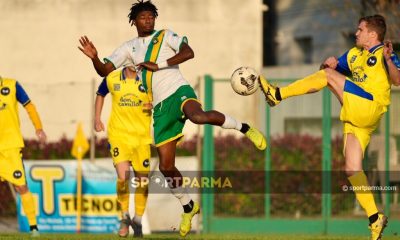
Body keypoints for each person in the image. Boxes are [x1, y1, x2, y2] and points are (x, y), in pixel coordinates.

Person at [78, 0, 267, 236]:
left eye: (151, 16)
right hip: (160, 107)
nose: (148, 20)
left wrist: (160, 65)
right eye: (143, 17)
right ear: (134, 21)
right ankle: (189, 207)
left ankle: (245, 128)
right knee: (167, 167)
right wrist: (94, 57)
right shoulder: (129, 48)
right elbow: (105, 71)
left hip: (179, 91)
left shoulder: (166, 36)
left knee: (197, 116)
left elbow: (189, 52)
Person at [258, 15, 400, 240]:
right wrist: (328, 64)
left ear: (373, 35)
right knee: (352, 169)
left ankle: (277, 94)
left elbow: (398, 80)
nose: (356, 33)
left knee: (327, 77)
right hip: (356, 117)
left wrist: (390, 60)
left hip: (370, 106)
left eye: (360, 30)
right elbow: (324, 74)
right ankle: (375, 218)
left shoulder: (384, 54)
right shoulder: (354, 54)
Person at [95, 66, 151, 238]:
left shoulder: (149, 78)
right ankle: (124, 217)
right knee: (123, 177)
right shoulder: (112, 78)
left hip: (142, 138)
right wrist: (97, 118)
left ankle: (138, 220)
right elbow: (100, 93)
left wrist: (153, 105)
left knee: (143, 182)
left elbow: (163, 99)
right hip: (119, 136)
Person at [0, 76, 47, 237]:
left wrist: (39, 128)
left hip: (11, 147)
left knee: (21, 187)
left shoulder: (12, 85)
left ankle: (34, 227)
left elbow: (29, 106)